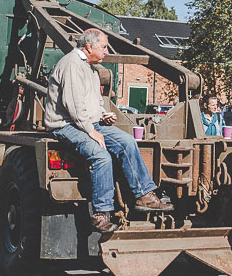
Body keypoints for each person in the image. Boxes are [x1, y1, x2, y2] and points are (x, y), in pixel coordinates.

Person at [42, 28, 172, 233]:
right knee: (101, 155)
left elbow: (92, 101)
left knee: (128, 142)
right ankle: (101, 214)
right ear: (89, 46)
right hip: (66, 125)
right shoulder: (71, 65)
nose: (106, 52)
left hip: (88, 123)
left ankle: (144, 194)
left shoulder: (91, 69)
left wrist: (103, 114)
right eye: (103, 47)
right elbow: (73, 104)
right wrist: (91, 131)